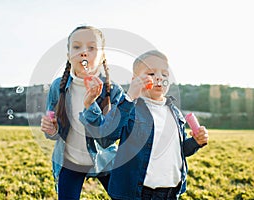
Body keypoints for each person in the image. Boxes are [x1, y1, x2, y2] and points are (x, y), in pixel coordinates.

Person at [80, 50, 209, 200]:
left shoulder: (174, 112)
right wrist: (129, 97)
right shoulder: (129, 108)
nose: (159, 77)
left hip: (171, 193)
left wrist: (195, 142)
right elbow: (106, 138)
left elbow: (178, 151)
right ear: (135, 79)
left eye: (164, 74)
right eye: (151, 73)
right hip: (138, 193)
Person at [40, 25, 124, 200]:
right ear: (69, 55)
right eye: (77, 47)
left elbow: (108, 137)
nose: (83, 52)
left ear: (102, 57)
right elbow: (54, 135)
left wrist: (91, 103)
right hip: (70, 162)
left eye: (91, 48)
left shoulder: (113, 90)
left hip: (106, 160)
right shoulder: (58, 87)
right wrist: (51, 130)